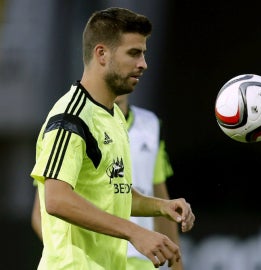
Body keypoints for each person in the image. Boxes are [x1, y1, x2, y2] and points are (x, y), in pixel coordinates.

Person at [30, 7, 195, 270]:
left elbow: (113, 193)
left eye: (143, 53)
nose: (143, 64)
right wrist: (135, 232)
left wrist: (160, 206)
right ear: (101, 54)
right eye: (133, 53)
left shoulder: (113, 117)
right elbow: (56, 199)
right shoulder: (71, 117)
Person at [115, 94, 184, 270]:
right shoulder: (77, 121)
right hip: (95, 260)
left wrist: (176, 265)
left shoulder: (151, 124)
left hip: (143, 261)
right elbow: (47, 210)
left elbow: (160, 199)